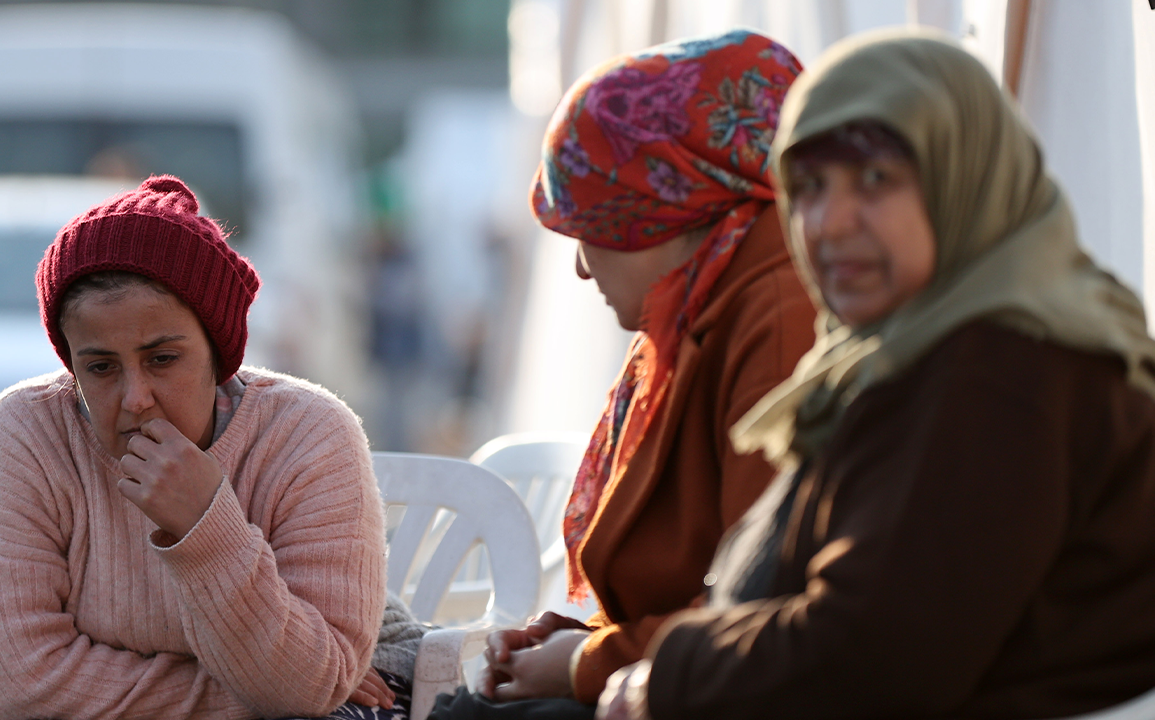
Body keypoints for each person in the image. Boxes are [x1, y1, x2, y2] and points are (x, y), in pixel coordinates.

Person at [597, 30, 1155, 720]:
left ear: (963, 174)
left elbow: (871, 659)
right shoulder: (914, 356)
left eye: (875, 179)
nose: (828, 223)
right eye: (806, 188)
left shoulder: (1001, 373)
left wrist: (666, 678)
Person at [431, 29, 817, 720]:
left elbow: (770, 611)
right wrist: (588, 644)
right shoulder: (706, 305)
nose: (581, 266)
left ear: (665, 212)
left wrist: (587, 662)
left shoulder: (780, 320)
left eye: (592, 227)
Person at [0, 176, 392, 719]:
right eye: (101, 368)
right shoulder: (27, 430)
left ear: (218, 352)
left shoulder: (310, 435)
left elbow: (309, 687)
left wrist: (204, 525)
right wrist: (244, 695)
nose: (135, 399)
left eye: (162, 359)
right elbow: (17, 679)